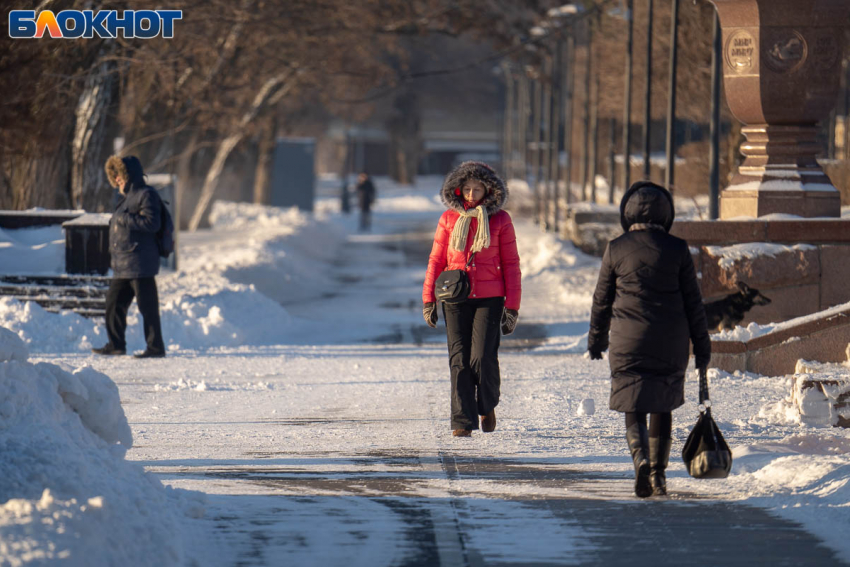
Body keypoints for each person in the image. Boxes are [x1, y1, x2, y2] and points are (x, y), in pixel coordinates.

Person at [588, 181, 710, 497]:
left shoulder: (616, 248)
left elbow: (602, 299)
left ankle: (639, 458)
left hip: (628, 339)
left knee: (633, 399)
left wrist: (597, 340)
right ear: (666, 214)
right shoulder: (678, 249)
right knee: (662, 403)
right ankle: (658, 475)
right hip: (670, 339)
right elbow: (693, 303)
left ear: (627, 214)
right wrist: (702, 345)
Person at [422, 161, 521, 437]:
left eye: (477, 189)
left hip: (490, 299)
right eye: (466, 188)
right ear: (458, 189)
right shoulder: (448, 219)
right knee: (459, 360)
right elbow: (436, 259)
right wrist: (428, 299)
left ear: (489, 191)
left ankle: (486, 406)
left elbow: (512, 265)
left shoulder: (500, 221)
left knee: (482, 358)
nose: (471, 194)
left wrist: (512, 308)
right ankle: (462, 422)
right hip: (454, 296)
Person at [92, 155, 167, 359]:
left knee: (147, 307)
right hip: (124, 264)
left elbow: (152, 223)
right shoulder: (124, 198)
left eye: (119, 176)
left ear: (129, 175)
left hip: (140, 262)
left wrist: (125, 219)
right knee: (113, 304)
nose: (116, 180)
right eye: (114, 176)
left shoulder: (146, 194)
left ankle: (155, 347)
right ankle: (116, 345)